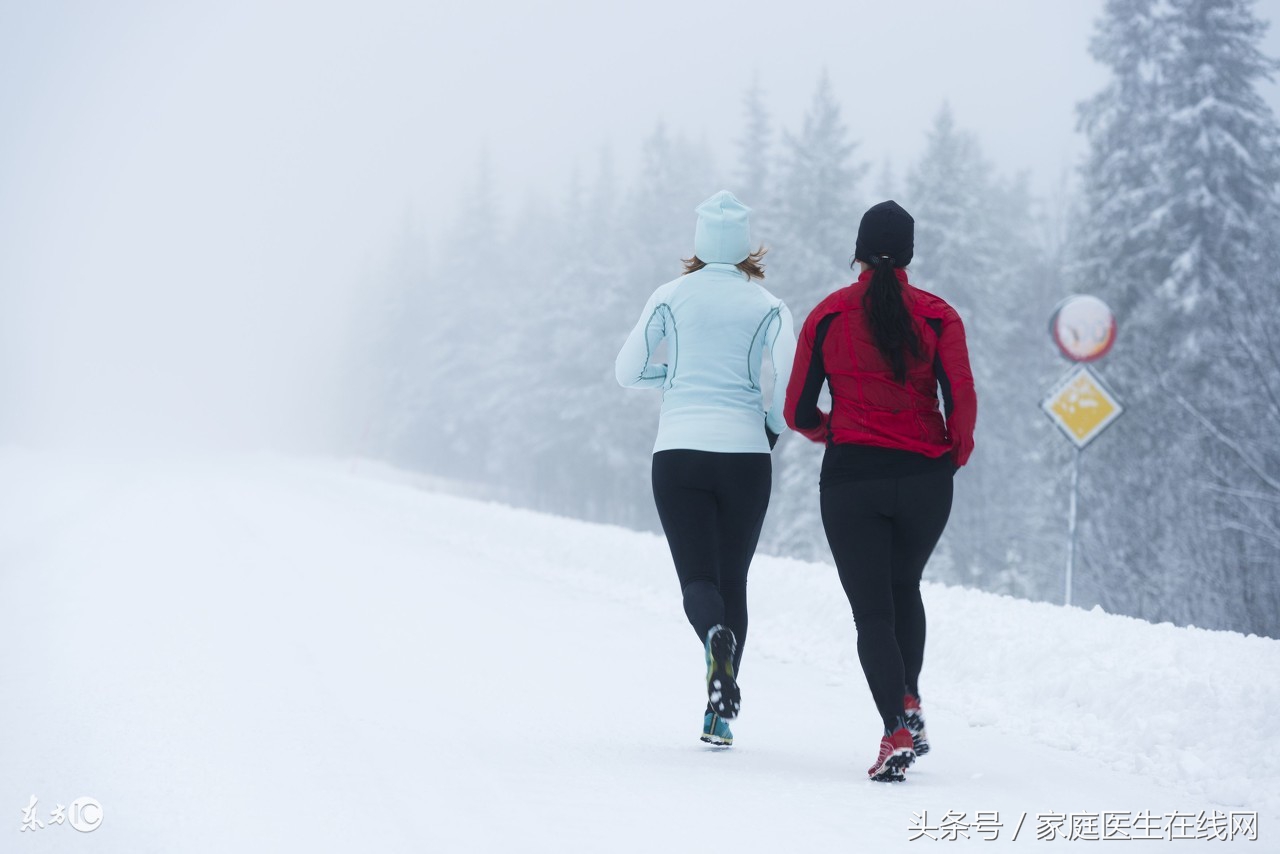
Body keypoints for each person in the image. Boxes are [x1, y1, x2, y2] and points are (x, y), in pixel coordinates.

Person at [784, 200, 976, 781]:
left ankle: (894, 727)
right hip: (925, 479)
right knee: (903, 588)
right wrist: (950, 455)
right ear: (911, 254)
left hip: (853, 479)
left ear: (859, 251)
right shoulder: (940, 316)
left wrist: (831, 434)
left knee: (872, 609)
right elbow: (960, 401)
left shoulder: (829, 315)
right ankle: (909, 700)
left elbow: (796, 408)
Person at [616, 190, 796, 747]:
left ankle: (713, 637)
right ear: (746, 247)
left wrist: (669, 381)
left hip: (679, 453)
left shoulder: (669, 296)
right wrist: (768, 421)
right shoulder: (768, 304)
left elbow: (627, 371)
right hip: (746, 454)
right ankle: (719, 712)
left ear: (698, 244)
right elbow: (789, 378)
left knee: (698, 579)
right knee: (733, 579)